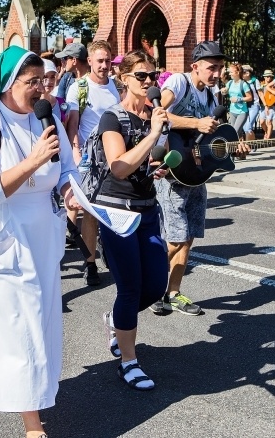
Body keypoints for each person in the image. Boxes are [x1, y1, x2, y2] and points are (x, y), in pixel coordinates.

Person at [0, 46, 80, 438]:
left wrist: (71, 191)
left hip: (42, 235)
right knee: (18, 328)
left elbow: (66, 169)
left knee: (41, 324)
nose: (41, 89)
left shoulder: (49, 117)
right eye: (32, 82)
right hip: (3, 237)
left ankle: (37, 395)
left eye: (44, 80)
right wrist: (34, 161)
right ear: (8, 84)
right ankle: (31, 423)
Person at [151, 40, 247, 316]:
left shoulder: (212, 98)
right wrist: (194, 122)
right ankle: (148, 285)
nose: (217, 74)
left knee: (189, 236)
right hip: (171, 172)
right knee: (175, 237)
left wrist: (233, 149)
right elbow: (156, 114)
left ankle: (174, 292)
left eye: (219, 68)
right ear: (195, 66)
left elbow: (211, 142)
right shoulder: (180, 84)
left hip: (196, 175)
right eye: (211, 68)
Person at [95, 50, 169, 390]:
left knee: (155, 285)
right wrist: (152, 136)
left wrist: (164, 166)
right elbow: (119, 167)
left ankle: (115, 320)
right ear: (123, 78)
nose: (149, 81)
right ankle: (129, 361)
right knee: (130, 288)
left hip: (147, 208)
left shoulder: (156, 115)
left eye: (152, 75)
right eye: (141, 75)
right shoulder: (112, 117)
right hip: (117, 211)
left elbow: (151, 161)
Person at [66, 40, 120, 286]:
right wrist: (76, 154)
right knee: (90, 213)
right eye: (100, 61)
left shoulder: (115, 87)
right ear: (89, 61)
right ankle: (90, 263)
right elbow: (73, 125)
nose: (105, 65)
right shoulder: (79, 88)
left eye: (108, 60)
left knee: (114, 209)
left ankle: (111, 252)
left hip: (113, 157)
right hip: (90, 160)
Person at [225, 63, 252, 142]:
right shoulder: (230, 83)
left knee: (234, 132)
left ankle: (231, 151)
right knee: (238, 134)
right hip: (232, 111)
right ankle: (241, 152)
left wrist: (238, 99)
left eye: (231, 72)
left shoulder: (243, 84)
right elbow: (226, 91)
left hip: (242, 111)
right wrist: (224, 91)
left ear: (237, 72)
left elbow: (250, 98)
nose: (229, 74)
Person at [41, 58, 69, 123]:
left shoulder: (61, 103)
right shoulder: (30, 105)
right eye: (45, 77)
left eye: (52, 77)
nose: (49, 81)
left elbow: (64, 131)